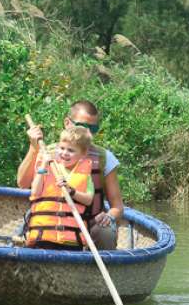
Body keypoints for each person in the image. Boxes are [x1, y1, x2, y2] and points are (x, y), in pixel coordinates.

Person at [17, 100, 124, 250]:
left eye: (93, 128)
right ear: (67, 123)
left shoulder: (104, 157)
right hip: (51, 223)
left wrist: (109, 216)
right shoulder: (47, 152)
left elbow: (117, 206)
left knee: (105, 231)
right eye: (82, 126)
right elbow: (22, 183)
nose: (88, 133)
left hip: (91, 223)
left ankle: (98, 271)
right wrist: (33, 147)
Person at [25, 126, 94, 250]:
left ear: (83, 153)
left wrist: (71, 191)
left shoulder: (85, 173)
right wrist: (44, 164)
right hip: (43, 236)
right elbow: (35, 191)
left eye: (71, 150)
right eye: (62, 148)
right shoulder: (49, 166)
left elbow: (88, 199)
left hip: (71, 240)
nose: (65, 153)